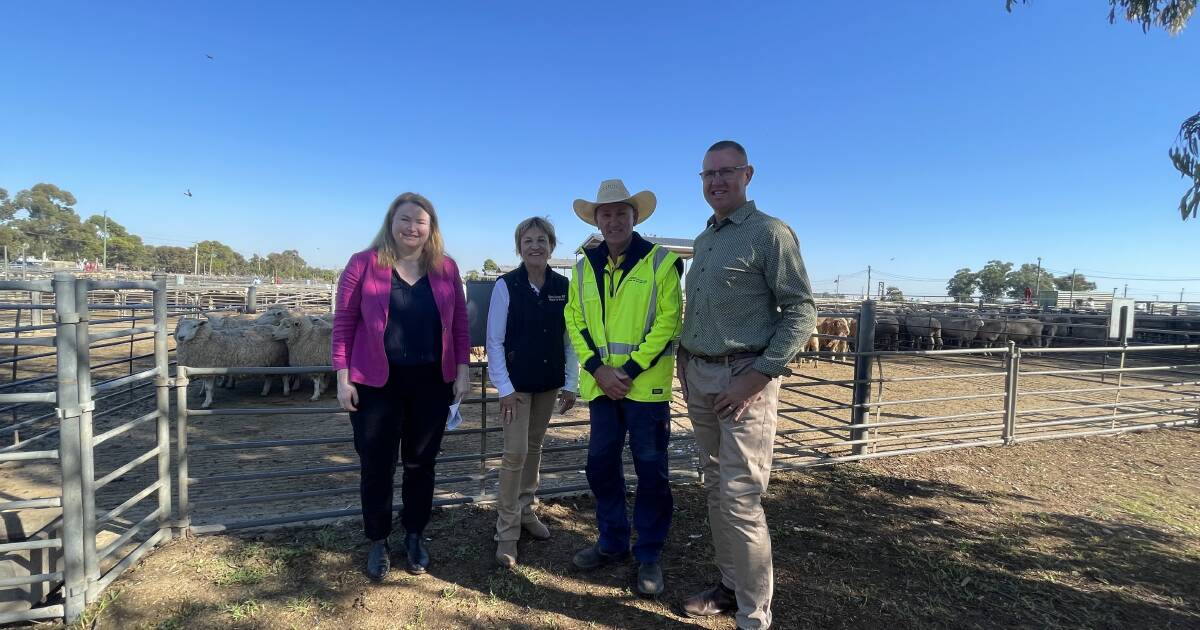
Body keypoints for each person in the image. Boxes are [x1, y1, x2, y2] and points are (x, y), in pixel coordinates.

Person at [678, 141, 816, 629]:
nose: (715, 181)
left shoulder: (770, 234)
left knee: (739, 495)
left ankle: (755, 615)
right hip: (701, 375)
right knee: (716, 486)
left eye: (726, 172)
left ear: (748, 174)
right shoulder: (705, 238)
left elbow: (801, 311)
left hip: (745, 379)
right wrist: (685, 361)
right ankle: (730, 586)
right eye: (707, 174)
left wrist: (756, 377)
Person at [331, 192, 471, 581]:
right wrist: (343, 378)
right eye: (405, 219)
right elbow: (343, 324)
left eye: (420, 221)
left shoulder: (446, 268)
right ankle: (378, 540)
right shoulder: (363, 264)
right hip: (376, 382)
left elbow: (459, 324)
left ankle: (414, 534)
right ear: (391, 223)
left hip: (430, 380)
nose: (412, 227)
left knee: (420, 463)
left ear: (431, 228)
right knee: (376, 464)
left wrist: (462, 369)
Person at [565, 179, 682, 597]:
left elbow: (668, 322)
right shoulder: (582, 269)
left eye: (621, 213)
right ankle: (612, 541)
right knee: (600, 466)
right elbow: (574, 322)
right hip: (601, 389)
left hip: (644, 389)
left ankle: (648, 553)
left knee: (651, 472)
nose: (613, 220)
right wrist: (599, 370)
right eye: (606, 213)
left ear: (635, 217)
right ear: (596, 219)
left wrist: (627, 369)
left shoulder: (661, 264)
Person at [486, 217, 579, 568]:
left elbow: (570, 338)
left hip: (548, 382)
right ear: (519, 246)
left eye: (542, 239)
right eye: (528, 240)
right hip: (517, 386)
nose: (535, 246)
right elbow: (494, 341)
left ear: (551, 246)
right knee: (515, 454)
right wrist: (504, 388)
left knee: (535, 447)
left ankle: (527, 511)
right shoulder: (506, 286)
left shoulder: (562, 286)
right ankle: (506, 531)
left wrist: (572, 382)